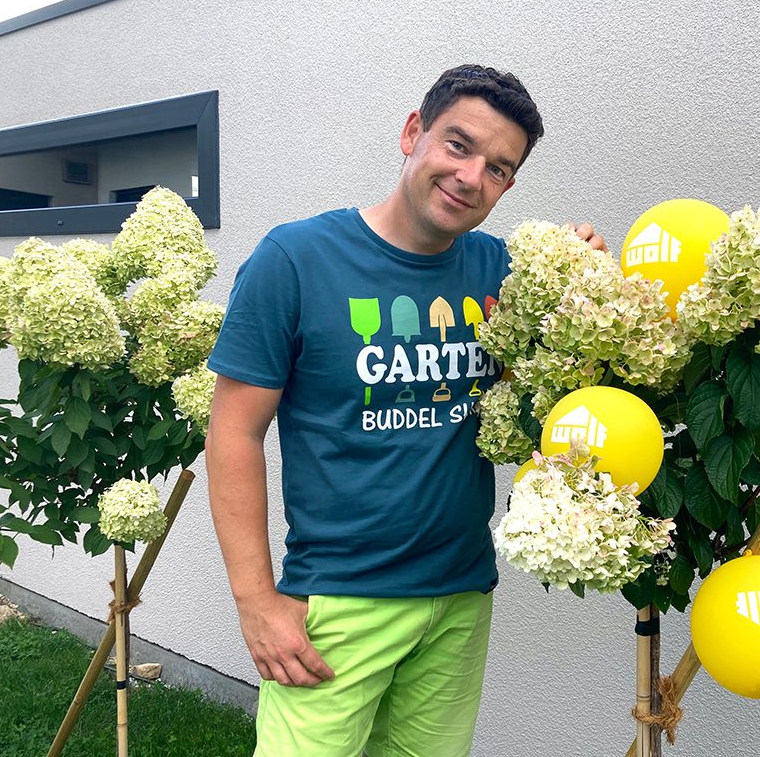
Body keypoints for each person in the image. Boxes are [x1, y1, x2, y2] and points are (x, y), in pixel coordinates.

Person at [205, 64, 604, 756]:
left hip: (459, 594)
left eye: (499, 168)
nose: (472, 176)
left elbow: (550, 394)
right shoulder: (295, 260)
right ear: (413, 133)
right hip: (336, 603)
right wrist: (257, 602)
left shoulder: (504, 272)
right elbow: (234, 433)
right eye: (458, 145)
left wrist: (578, 284)